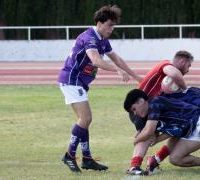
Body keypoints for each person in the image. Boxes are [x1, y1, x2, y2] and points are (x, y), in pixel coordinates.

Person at [58, 5, 142, 173]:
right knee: (86, 118)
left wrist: (137, 77)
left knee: (85, 121)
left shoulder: (103, 39)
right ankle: (69, 155)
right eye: (110, 25)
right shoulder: (89, 37)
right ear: (99, 23)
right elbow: (95, 60)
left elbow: (117, 59)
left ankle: (87, 159)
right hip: (71, 80)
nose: (111, 29)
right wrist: (117, 70)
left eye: (113, 26)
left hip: (79, 82)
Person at [124, 89, 200, 177]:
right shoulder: (153, 114)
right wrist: (157, 140)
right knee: (175, 159)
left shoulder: (155, 103)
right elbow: (174, 132)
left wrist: (135, 140)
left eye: (134, 109)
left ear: (141, 101)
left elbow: (148, 131)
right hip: (191, 131)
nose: (135, 113)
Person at [126, 50, 193, 175]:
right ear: (182, 61)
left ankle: (154, 161)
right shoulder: (167, 65)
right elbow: (174, 74)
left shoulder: (174, 83)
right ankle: (135, 166)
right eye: (188, 65)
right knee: (147, 134)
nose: (188, 70)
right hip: (141, 108)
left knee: (179, 129)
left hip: (154, 110)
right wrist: (186, 90)